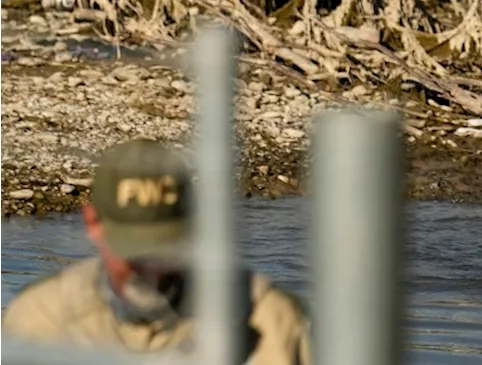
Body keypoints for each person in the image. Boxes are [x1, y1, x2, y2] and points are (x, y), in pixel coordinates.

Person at [0, 138, 312, 364]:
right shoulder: (39, 321)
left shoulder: (270, 319)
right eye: (133, 251)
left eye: (164, 248)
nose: (152, 268)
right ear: (94, 224)